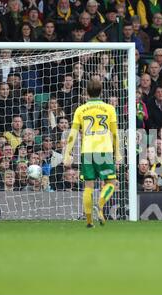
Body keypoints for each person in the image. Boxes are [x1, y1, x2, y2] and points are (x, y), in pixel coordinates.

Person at [64, 79, 121, 228]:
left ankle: (89, 221)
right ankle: (100, 204)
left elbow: (72, 134)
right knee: (111, 183)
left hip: (87, 150)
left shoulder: (80, 110)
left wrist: (67, 153)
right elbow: (115, 133)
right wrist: (118, 153)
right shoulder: (109, 108)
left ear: (86, 92)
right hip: (104, 149)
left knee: (88, 186)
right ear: (101, 91)